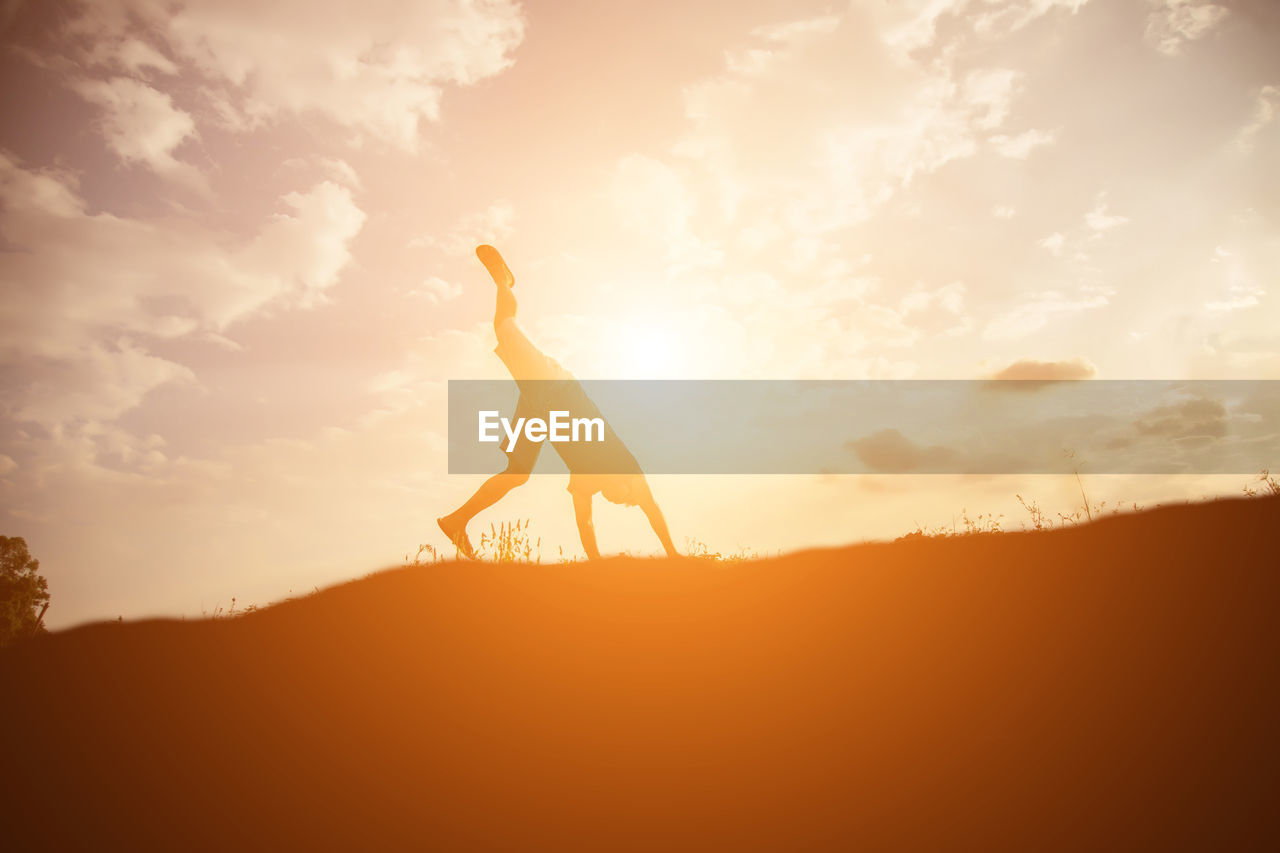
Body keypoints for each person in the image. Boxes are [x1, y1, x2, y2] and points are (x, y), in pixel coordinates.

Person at [437, 245, 679, 561]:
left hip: (534, 404)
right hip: (553, 384)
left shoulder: (584, 483)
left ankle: (457, 521)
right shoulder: (625, 465)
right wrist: (672, 554)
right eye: (623, 499)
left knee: (518, 473)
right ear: (628, 486)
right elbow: (652, 508)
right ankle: (503, 281)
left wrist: (595, 564)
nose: (616, 501)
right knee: (505, 326)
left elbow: (585, 521)